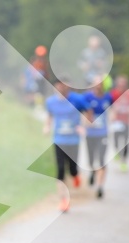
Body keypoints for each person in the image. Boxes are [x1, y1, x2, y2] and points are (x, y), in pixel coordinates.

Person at [44, 78, 86, 212]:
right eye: (59, 86)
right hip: (59, 140)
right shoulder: (51, 102)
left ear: (68, 87)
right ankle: (64, 201)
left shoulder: (77, 100)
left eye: (64, 86)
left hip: (73, 140)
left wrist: (82, 126)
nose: (61, 89)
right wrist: (46, 126)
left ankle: (76, 175)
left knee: (72, 168)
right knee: (61, 169)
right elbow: (49, 116)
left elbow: (87, 114)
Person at [83, 75, 113, 199]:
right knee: (91, 159)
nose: (98, 86)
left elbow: (113, 110)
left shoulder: (108, 97)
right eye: (96, 83)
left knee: (101, 160)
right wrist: (87, 121)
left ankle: (100, 187)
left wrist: (114, 118)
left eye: (100, 83)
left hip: (103, 133)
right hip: (90, 133)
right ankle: (92, 171)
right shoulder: (87, 97)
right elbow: (82, 113)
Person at [110, 75, 129, 171]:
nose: (122, 86)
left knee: (126, 142)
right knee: (116, 140)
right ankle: (117, 152)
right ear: (117, 84)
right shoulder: (113, 94)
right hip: (116, 122)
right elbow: (107, 105)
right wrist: (112, 112)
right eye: (120, 84)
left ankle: (124, 161)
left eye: (124, 84)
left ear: (126, 85)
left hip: (126, 121)